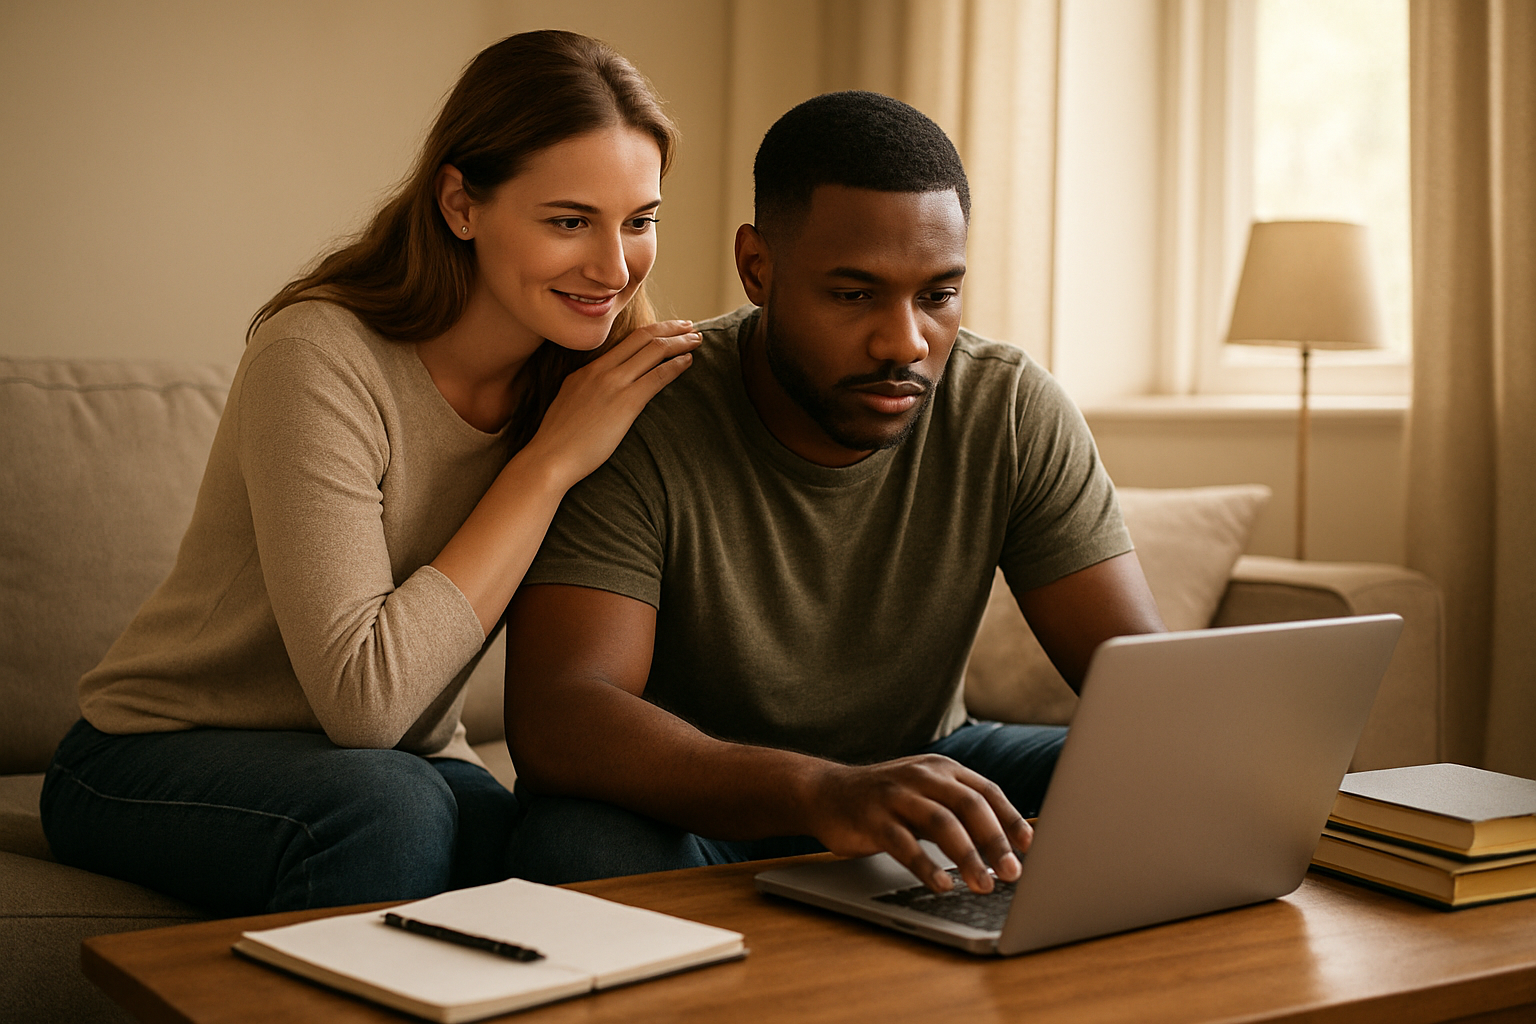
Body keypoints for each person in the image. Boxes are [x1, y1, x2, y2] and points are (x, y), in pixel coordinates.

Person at [39, 30, 699, 915]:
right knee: (389, 811)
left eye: (640, 221)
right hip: (153, 752)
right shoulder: (318, 356)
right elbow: (367, 704)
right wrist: (548, 465)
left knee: (573, 835)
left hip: (411, 764)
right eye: (569, 220)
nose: (615, 268)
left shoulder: (595, 379)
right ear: (461, 204)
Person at [501, 91, 1167, 895]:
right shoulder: (639, 406)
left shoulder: (1009, 407)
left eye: (938, 294)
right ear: (758, 269)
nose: (906, 342)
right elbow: (562, 714)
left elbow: (1140, 684)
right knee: (577, 850)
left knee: (1161, 778)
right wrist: (820, 790)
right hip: (697, 804)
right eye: (854, 295)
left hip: (919, 768)